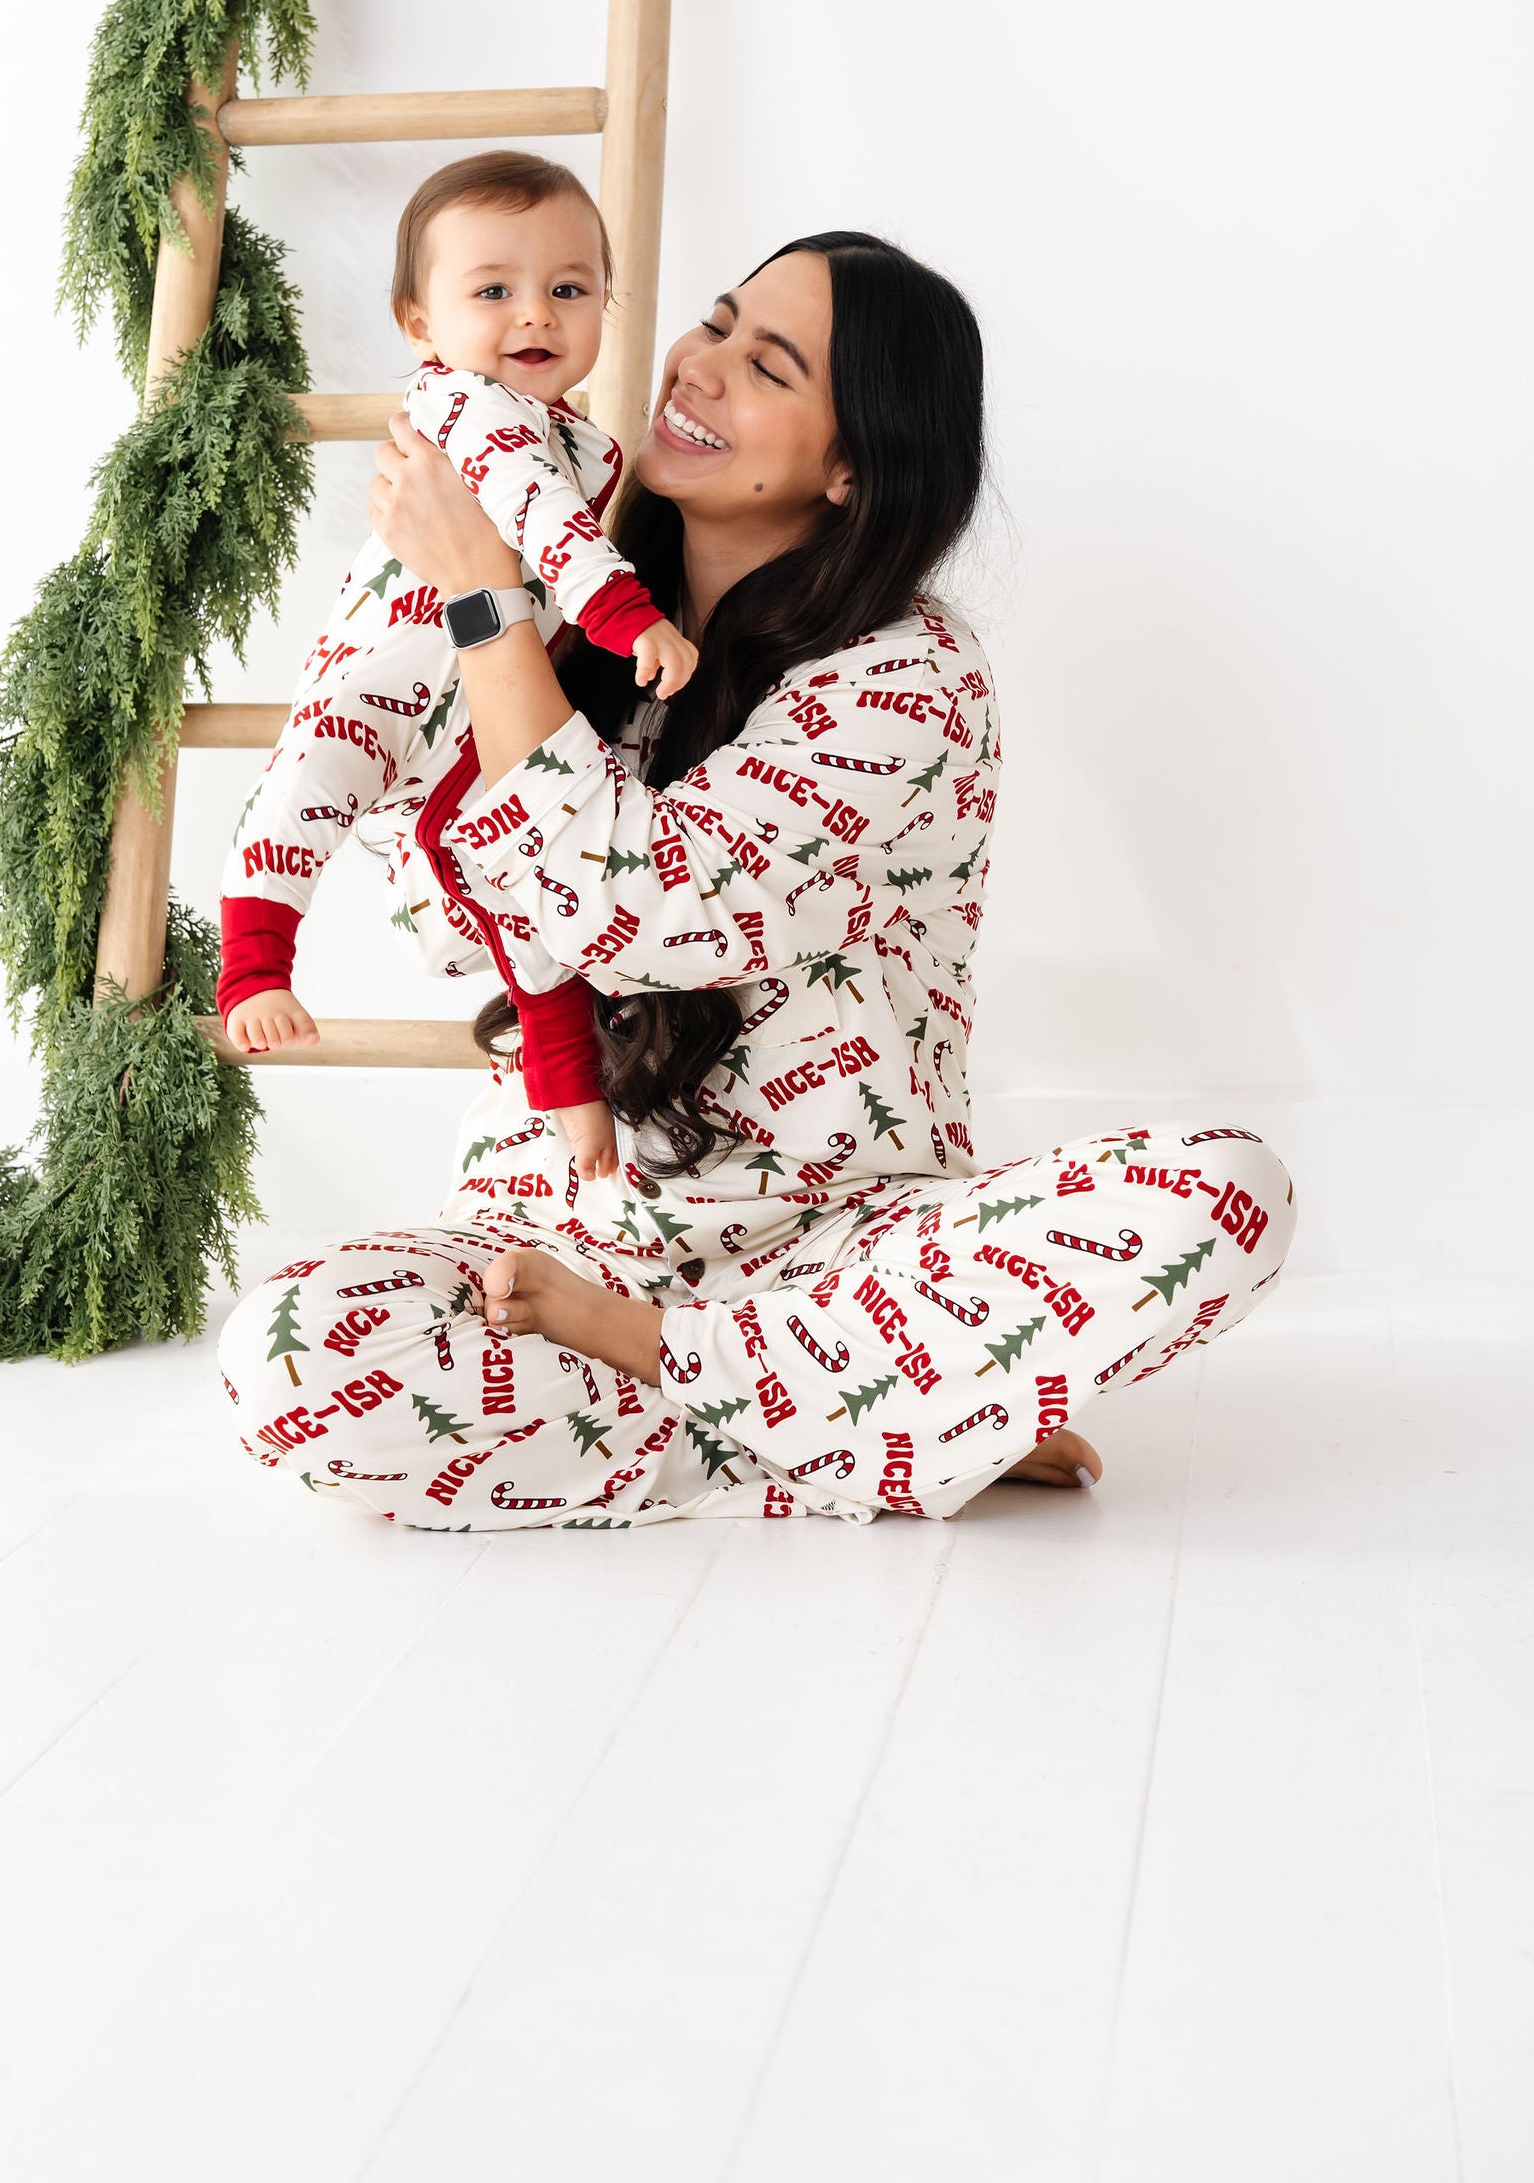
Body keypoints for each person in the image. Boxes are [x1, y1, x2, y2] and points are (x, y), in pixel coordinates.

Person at [216, 231, 1295, 1527]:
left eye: (766, 362)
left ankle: (700, 1375)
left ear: (852, 465)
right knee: (279, 1352)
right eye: (716, 323)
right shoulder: (570, 602)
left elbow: (629, 914)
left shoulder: (910, 681)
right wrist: (479, 606)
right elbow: (442, 922)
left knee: (1223, 1193)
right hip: (552, 1250)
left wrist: (488, 610)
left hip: (833, 1253)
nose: (701, 366)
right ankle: (865, 1420)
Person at [216, 150, 695, 1186]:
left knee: (536, 921)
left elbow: (550, 516)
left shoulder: (577, 435)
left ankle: (575, 1115)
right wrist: (627, 617)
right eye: (493, 291)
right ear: (419, 325)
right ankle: (254, 964)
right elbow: (545, 525)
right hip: (388, 683)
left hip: (471, 717)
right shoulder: (472, 410)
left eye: (568, 289)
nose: (535, 315)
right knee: (306, 785)